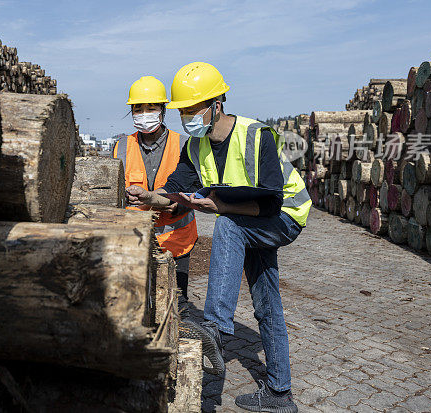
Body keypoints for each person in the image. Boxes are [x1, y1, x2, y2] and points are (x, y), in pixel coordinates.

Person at [126, 62, 311, 413]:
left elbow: (272, 202)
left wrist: (221, 206)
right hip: (249, 222)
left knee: (227, 224)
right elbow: (177, 189)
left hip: (284, 215)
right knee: (267, 302)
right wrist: (153, 197)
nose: (187, 117)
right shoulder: (196, 147)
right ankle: (279, 393)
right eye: (183, 111)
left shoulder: (256, 135)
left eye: (194, 109)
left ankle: (216, 326)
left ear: (217, 103)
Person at [113, 76, 198, 302]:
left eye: (151, 108)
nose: (144, 113)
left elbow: (190, 196)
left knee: (175, 305)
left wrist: (167, 204)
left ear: (163, 110)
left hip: (176, 243)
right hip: (134, 242)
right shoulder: (121, 147)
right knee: (136, 302)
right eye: (138, 109)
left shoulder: (183, 145)